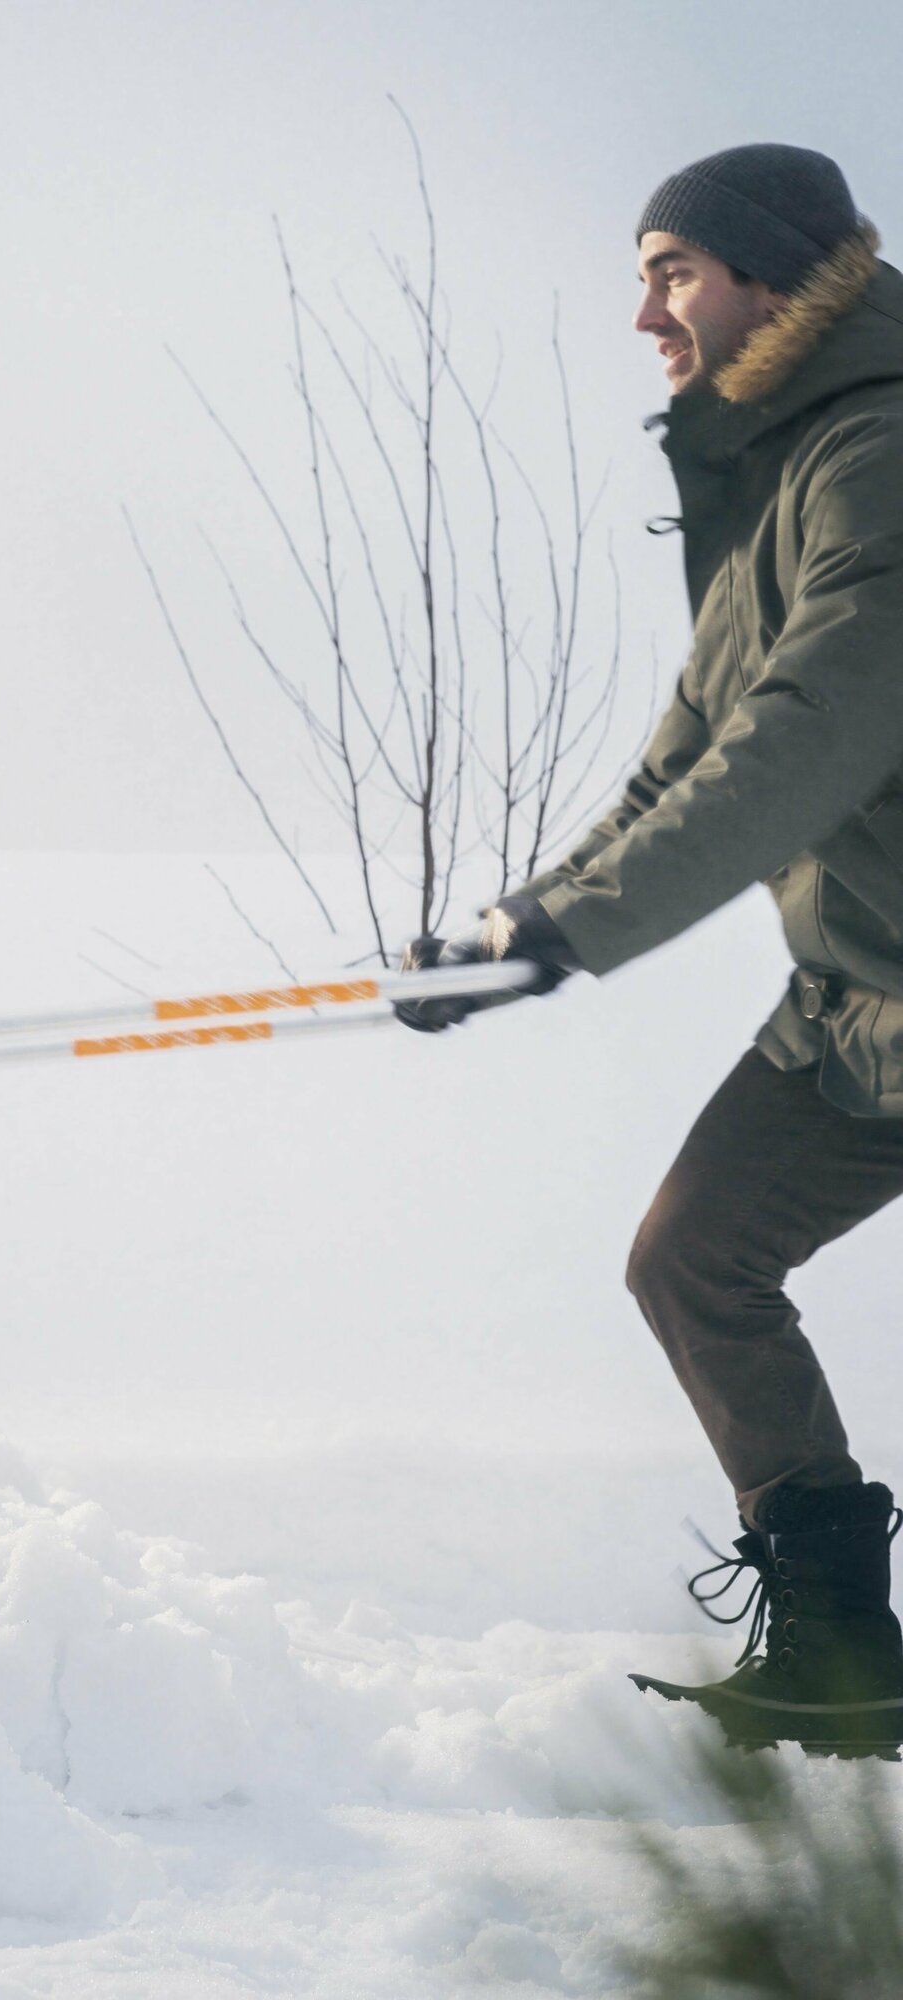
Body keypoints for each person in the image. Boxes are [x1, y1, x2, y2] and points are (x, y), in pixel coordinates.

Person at [400, 143, 903, 1752]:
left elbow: (807, 742)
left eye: (671, 268)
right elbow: (695, 747)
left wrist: (579, 929)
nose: (643, 310)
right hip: (858, 1003)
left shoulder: (883, 454)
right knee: (693, 1261)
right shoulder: (780, 467)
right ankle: (844, 1652)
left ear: (776, 275)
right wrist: (517, 924)